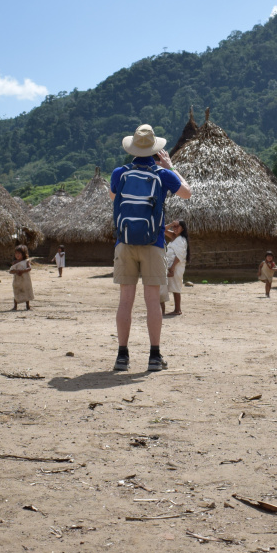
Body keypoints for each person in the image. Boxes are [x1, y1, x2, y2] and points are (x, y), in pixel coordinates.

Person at [110, 124, 191, 372]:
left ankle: (122, 356)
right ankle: (154, 357)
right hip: (154, 243)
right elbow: (187, 193)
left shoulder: (119, 173)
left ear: (132, 148)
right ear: (156, 150)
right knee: (153, 301)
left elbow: (114, 200)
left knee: (126, 300)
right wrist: (171, 167)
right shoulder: (162, 174)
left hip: (124, 242)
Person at [161, 220, 189, 316]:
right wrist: (171, 224)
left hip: (176, 266)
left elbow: (179, 255)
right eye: (174, 227)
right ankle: (176, 309)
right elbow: (162, 229)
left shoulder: (181, 239)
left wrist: (172, 268)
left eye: (178, 227)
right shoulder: (174, 236)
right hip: (171, 265)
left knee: (176, 287)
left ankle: (177, 309)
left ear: (182, 229)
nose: (175, 228)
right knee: (172, 286)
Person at [9, 245, 34, 310]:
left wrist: (22, 271)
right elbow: (11, 271)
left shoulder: (26, 261)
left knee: (26, 291)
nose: (17, 255)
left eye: (19, 253)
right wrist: (16, 271)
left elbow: (29, 268)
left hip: (25, 280)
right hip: (17, 280)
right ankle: (15, 306)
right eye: (16, 253)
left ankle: (27, 305)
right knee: (16, 292)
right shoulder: (15, 263)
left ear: (23, 254)